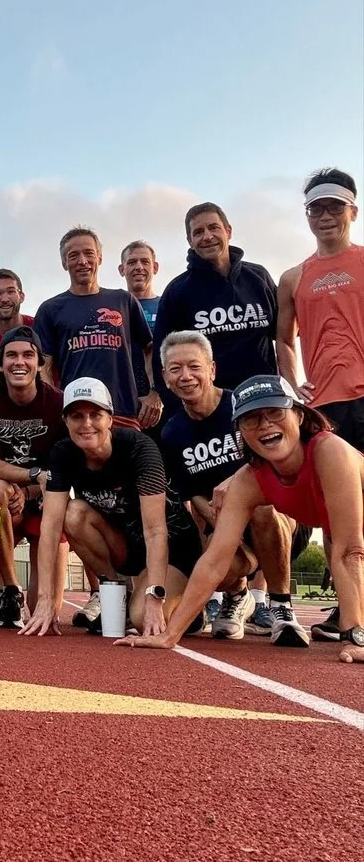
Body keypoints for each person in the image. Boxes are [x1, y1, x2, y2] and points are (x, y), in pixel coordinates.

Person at [117, 374, 364, 666]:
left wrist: (354, 635)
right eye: (251, 419)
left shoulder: (329, 451)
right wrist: (169, 636)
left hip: (350, 536)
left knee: (339, 543)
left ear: (298, 415)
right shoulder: (249, 481)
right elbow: (214, 561)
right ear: (239, 432)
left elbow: (350, 551)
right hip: (340, 533)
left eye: (275, 412)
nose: (265, 425)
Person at [20, 377, 202, 638]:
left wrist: (154, 597)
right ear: (66, 421)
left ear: (110, 418)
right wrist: (46, 599)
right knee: (73, 514)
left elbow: (155, 531)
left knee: (143, 620)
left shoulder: (140, 449)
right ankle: (117, 595)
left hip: (173, 550)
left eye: (95, 414)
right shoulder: (63, 454)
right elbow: (50, 528)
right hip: (127, 548)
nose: (87, 424)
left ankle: (187, 605)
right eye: (77, 416)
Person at [160, 332, 311, 645]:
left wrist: (241, 481)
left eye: (194, 366)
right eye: (175, 369)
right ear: (165, 377)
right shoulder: (172, 432)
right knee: (208, 565)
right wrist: (225, 522)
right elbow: (193, 496)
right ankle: (237, 595)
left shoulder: (242, 408)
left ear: (212, 369)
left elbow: (280, 458)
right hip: (225, 525)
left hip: (278, 518)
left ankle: (281, 608)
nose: (185, 376)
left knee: (261, 507)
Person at [277, 167, 363, 642]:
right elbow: (283, 342)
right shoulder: (293, 277)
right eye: (316, 207)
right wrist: (295, 383)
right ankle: (348, 609)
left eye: (334, 205)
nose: (325, 215)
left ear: (353, 209)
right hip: (326, 406)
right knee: (338, 510)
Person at [0, 326, 68, 628]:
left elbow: (60, 473)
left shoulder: (58, 403)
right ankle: (10, 590)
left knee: (44, 612)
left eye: (28, 355)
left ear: (40, 364)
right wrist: (30, 477)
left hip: (42, 500)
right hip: (7, 501)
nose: (19, 362)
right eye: (10, 355)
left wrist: (29, 492)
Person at [35, 226, 161, 430]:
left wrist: (154, 392)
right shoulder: (51, 309)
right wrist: (58, 403)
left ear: (100, 258)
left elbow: (150, 349)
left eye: (88, 253)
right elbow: (44, 367)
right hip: (77, 416)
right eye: (73, 255)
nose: (82, 261)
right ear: (64, 263)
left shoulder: (123, 300)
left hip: (124, 413)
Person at [153, 202, 278, 395]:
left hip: (264, 397)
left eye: (214, 228)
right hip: (210, 406)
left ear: (228, 231)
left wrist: (291, 387)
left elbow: (285, 336)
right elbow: (162, 357)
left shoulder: (258, 277)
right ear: (190, 241)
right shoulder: (177, 291)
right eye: (198, 232)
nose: (207, 237)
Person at [118, 240, 161, 402]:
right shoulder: (113, 308)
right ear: (122, 270)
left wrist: (157, 391)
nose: (139, 267)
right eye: (131, 262)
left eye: (145, 262)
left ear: (155, 267)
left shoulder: (168, 306)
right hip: (123, 395)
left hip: (162, 395)